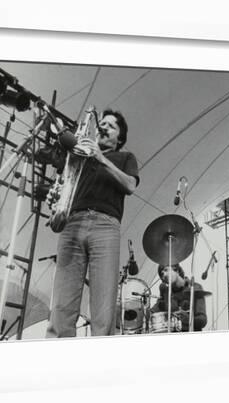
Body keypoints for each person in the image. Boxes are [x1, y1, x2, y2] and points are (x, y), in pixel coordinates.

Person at [46, 109, 140, 338]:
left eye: (111, 126)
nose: (104, 127)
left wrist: (100, 157)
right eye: (103, 123)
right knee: (61, 304)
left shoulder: (125, 158)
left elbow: (130, 186)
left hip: (105, 226)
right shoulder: (79, 156)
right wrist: (55, 198)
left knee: (103, 309)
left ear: (120, 139)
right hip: (73, 223)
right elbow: (66, 182)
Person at [151, 264, 207, 332]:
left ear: (176, 270)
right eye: (162, 274)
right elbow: (152, 312)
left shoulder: (194, 288)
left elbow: (202, 320)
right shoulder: (166, 292)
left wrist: (189, 319)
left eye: (166, 270)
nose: (164, 275)